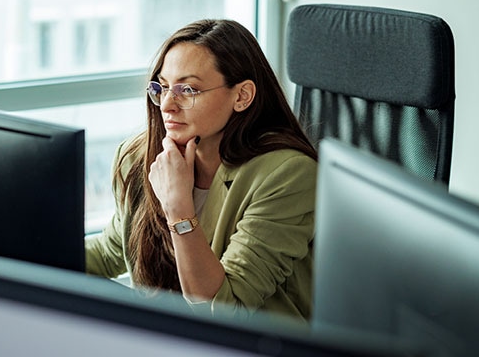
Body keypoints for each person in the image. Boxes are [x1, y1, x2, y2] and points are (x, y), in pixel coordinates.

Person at [85, 19, 318, 321]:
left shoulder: (287, 175)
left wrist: (178, 208)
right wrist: (20, 249)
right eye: (163, 87)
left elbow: (225, 308)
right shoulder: (141, 157)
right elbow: (110, 252)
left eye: (189, 89)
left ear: (242, 96)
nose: (167, 105)